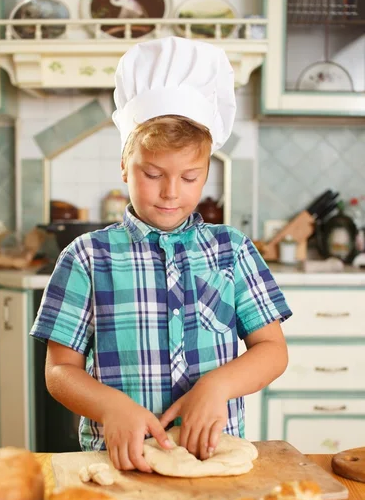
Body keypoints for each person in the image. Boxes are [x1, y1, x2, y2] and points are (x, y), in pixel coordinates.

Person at [30, 36, 292, 472]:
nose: (171, 192)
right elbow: (60, 371)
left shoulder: (233, 251)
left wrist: (219, 386)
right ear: (124, 166)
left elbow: (272, 350)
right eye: (152, 174)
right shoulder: (86, 258)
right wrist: (111, 407)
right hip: (118, 462)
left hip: (213, 457)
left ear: (207, 172)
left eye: (190, 177)